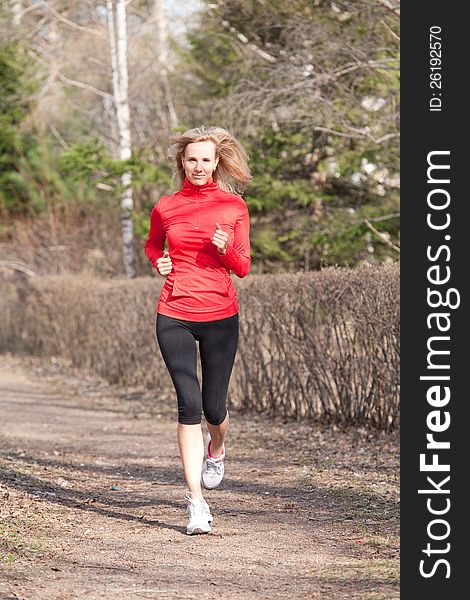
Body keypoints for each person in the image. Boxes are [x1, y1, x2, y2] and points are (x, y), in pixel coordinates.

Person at [144, 126, 252, 535]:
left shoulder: (233, 207)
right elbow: (153, 245)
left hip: (220, 315)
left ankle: (217, 447)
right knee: (188, 404)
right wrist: (160, 263)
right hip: (173, 311)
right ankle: (196, 503)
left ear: (217, 163)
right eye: (192, 159)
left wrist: (226, 248)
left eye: (206, 159)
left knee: (214, 409)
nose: (199, 166)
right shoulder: (166, 206)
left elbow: (243, 267)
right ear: (182, 163)